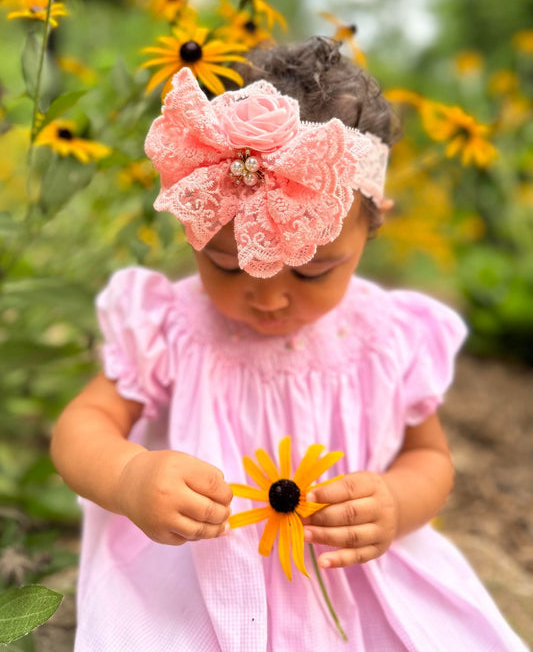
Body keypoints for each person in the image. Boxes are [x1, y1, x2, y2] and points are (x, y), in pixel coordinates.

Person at [51, 37, 528, 652]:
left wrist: (396, 503)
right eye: (227, 263)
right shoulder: (173, 326)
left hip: (349, 573)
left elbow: (430, 458)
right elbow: (82, 425)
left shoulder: (386, 337)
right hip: (202, 569)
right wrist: (129, 476)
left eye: (311, 270)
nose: (269, 298)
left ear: (372, 224)